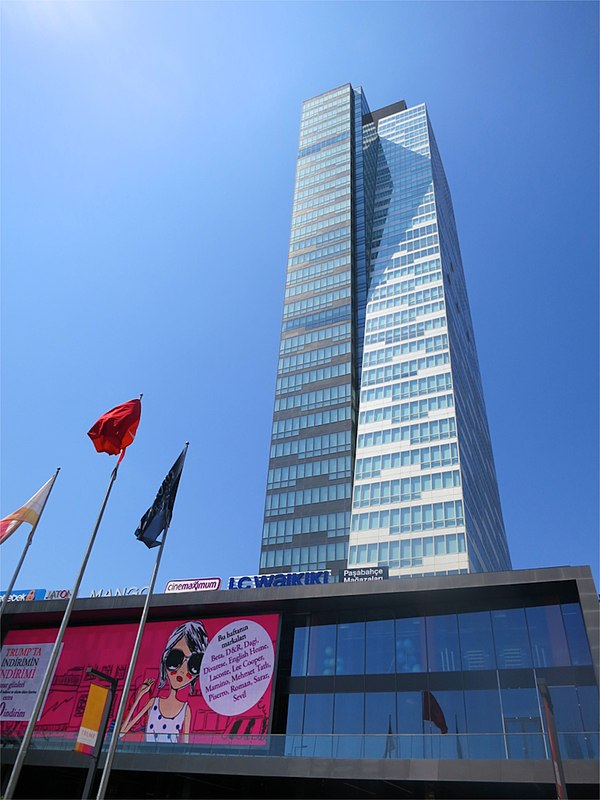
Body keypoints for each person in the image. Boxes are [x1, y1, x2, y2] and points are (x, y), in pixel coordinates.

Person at [121, 620, 208, 743]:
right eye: (176, 658)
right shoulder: (153, 702)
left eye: (194, 664)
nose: (182, 671)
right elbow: (122, 733)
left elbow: (186, 747)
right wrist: (140, 695)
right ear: (165, 657)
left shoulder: (185, 709)